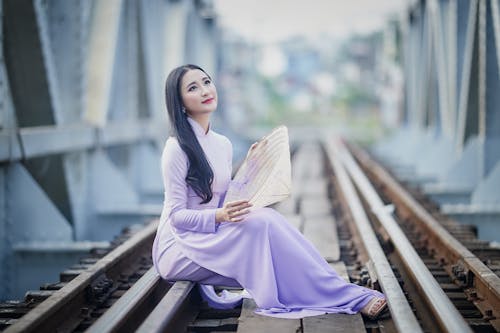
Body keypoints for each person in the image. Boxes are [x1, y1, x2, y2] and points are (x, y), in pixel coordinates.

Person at [151, 64, 388, 319]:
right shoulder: (176, 149)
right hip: (181, 247)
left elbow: (223, 198)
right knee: (263, 229)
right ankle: (348, 296)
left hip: (210, 237)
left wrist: (251, 169)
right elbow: (177, 217)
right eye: (193, 88)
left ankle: (344, 293)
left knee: (268, 224)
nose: (205, 90)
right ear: (181, 102)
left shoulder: (222, 144)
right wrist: (220, 216)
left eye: (207, 82)